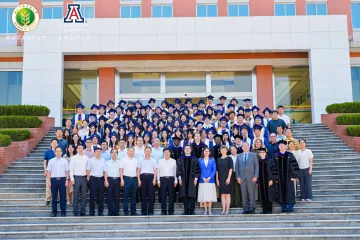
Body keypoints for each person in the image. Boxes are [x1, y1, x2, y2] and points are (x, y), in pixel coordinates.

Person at [269, 140, 298, 214]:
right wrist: (275, 177)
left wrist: (293, 176)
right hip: (280, 179)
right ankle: (284, 208)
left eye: (283, 145)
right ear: (278, 147)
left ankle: (291, 208)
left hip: (288, 178)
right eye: (280, 145)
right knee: (281, 193)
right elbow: (273, 167)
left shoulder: (290, 155)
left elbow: (294, 165)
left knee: (290, 193)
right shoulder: (276, 155)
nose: (281, 146)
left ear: (285, 146)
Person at [235, 142, 259, 214]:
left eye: (246, 146)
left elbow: (256, 166)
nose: (245, 147)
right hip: (242, 178)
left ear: (249, 147)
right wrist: (238, 177)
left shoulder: (253, 155)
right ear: (242, 148)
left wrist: (255, 176)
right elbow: (236, 168)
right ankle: (245, 208)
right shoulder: (238, 156)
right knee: (244, 194)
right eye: (244, 146)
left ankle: (252, 208)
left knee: (252, 194)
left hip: (251, 178)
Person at [177, 145, 200, 215]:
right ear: (184, 150)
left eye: (188, 148)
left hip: (192, 179)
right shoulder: (180, 159)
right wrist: (179, 178)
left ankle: (192, 211)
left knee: (192, 195)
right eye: (186, 149)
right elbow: (178, 169)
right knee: (184, 195)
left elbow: (197, 169)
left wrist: (196, 179)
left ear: (191, 150)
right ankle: (186, 210)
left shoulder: (195, 159)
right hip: (183, 179)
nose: (187, 150)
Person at [47, 147, 69, 217]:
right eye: (57, 151)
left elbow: (67, 171)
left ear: (61, 152)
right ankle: (54, 211)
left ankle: (63, 211)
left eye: (59, 151)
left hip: (62, 180)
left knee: (63, 197)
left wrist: (67, 180)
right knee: (54, 197)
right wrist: (48, 181)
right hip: (53, 180)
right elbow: (49, 172)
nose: (58, 152)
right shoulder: (51, 161)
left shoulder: (64, 161)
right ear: (55, 152)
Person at [69, 144, 89, 217]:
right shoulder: (73, 158)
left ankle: (82, 211)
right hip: (76, 178)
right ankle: (75, 211)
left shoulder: (86, 158)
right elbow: (71, 168)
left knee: (84, 196)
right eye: (79, 148)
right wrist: (72, 178)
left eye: (82, 148)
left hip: (84, 178)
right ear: (77, 149)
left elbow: (88, 169)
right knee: (76, 196)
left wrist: (88, 178)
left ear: (83, 149)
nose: (80, 149)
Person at [137, 147, 157, 215]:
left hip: (151, 177)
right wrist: (139, 180)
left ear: (151, 152)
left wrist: (154, 179)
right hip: (143, 177)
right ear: (144, 152)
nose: (147, 152)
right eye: (146, 151)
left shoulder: (153, 160)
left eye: (149, 151)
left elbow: (155, 170)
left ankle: (151, 211)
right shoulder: (140, 160)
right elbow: (138, 170)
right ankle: (144, 211)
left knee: (151, 195)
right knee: (143, 195)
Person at [157, 148, 177, 215]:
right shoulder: (160, 161)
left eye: (168, 152)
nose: (166, 153)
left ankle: (171, 211)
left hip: (171, 179)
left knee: (172, 196)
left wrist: (176, 180)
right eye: (165, 152)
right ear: (163, 153)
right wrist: (158, 181)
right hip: (163, 179)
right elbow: (158, 171)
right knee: (163, 196)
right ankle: (163, 211)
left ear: (170, 153)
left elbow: (175, 171)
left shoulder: (173, 161)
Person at [86, 147, 106, 216]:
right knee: (92, 196)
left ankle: (100, 212)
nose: (98, 152)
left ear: (101, 152)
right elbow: (88, 170)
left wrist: (105, 180)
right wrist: (89, 179)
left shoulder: (103, 160)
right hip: (93, 179)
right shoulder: (90, 160)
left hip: (101, 179)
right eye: (96, 151)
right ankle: (92, 212)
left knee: (101, 197)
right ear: (94, 152)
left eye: (99, 151)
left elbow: (104, 171)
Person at [198, 147, 217, 215]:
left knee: (210, 196)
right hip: (202, 180)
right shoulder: (200, 160)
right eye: (205, 151)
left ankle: (210, 210)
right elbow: (198, 170)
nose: (206, 152)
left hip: (210, 180)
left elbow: (214, 170)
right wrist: (203, 177)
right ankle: (205, 210)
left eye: (207, 151)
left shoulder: (212, 160)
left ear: (209, 152)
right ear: (203, 152)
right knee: (204, 196)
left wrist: (210, 177)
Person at [120, 147, 139, 216]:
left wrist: (138, 180)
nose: (131, 152)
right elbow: (121, 170)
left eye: (132, 151)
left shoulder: (136, 160)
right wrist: (122, 179)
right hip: (126, 179)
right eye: (130, 151)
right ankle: (126, 211)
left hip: (134, 179)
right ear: (127, 152)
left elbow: (137, 171)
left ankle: (133, 211)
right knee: (125, 196)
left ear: (134, 152)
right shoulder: (123, 160)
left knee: (133, 196)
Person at [216, 145, 233, 215]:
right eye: (222, 150)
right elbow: (217, 171)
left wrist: (229, 178)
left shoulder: (229, 158)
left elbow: (231, 169)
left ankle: (227, 209)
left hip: (227, 178)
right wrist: (217, 179)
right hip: (220, 178)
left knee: (227, 194)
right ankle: (223, 209)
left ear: (226, 150)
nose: (223, 151)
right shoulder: (218, 159)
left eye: (224, 149)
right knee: (222, 195)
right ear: (220, 151)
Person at [104, 149, 122, 216]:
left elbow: (120, 171)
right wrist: (106, 181)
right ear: (110, 154)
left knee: (117, 196)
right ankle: (110, 211)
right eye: (112, 152)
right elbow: (105, 172)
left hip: (117, 180)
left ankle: (116, 211)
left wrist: (121, 180)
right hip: (110, 180)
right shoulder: (107, 162)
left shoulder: (119, 162)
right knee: (110, 196)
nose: (114, 154)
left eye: (115, 152)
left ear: (117, 154)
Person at [257, 148, 273, 214]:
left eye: (263, 152)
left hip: (268, 180)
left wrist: (271, 179)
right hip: (260, 181)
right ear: (259, 154)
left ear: (265, 153)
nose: (262, 153)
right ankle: (264, 210)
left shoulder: (269, 161)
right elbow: (256, 172)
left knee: (269, 194)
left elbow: (272, 170)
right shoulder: (258, 162)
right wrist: (257, 182)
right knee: (262, 195)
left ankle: (270, 210)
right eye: (261, 152)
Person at [44, 139, 58, 205]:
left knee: (57, 185)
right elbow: (45, 161)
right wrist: (45, 170)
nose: (54, 144)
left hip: (57, 172)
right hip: (49, 171)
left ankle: (57, 198)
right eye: (53, 142)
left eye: (56, 142)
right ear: (51, 144)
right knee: (48, 185)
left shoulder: (59, 151)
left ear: (57, 144)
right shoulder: (47, 152)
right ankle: (48, 199)